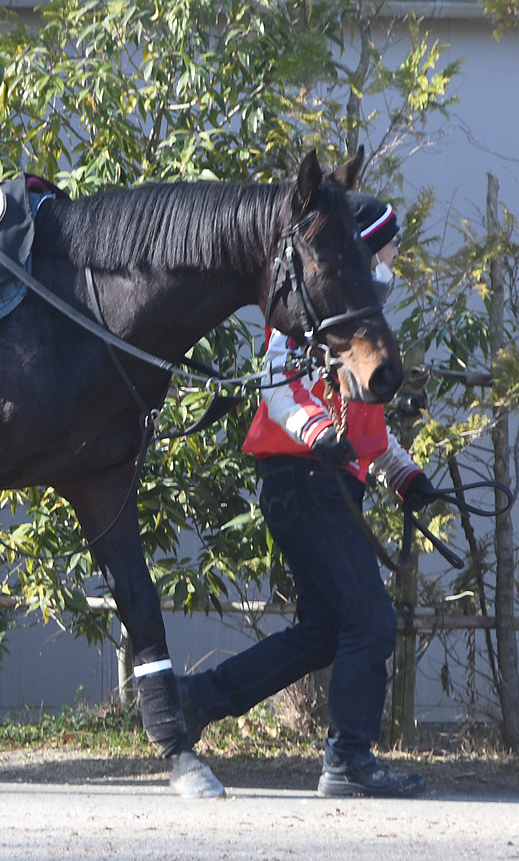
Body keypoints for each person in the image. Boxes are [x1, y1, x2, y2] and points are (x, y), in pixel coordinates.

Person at [177, 193, 439, 798]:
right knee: (371, 620)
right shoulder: (307, 309)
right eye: (392, 243)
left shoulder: (361, 323)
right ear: (368, 247)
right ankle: (349, 761)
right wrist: (319, 434)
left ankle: (197, 701)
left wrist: (405, 475)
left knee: (324, 632)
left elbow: (366, 427)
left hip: (323, 485)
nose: (398, 253)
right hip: (302, 481)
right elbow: (279, 393)